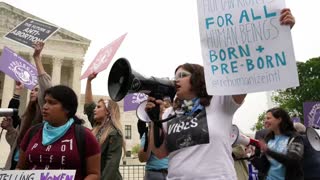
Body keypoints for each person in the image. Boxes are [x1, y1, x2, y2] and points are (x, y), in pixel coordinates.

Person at [146, 62, 246, 179]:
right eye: (175, 77)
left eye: (182, 75)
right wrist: (154, 119)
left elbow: (242, 82)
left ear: (198, 77)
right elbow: (160, 153)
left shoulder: (219, 101)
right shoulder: (170, 113)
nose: (176, 80)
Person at [16, 85, 101, 180]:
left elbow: (94, 174)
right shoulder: (33, 132)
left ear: (67, 108)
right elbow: (20, 168)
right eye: (45, 102)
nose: (45, 107)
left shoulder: (85, 135)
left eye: (52, 103)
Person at [1, 41, 52, 170]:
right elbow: (16, 141)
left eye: (36, 89)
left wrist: (37, 57)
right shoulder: (27, 116)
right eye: (32, 89)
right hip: (15, 165)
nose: (32, 92)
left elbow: (46, 88)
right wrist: (17, 92)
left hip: (33, 167)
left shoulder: (47, 118)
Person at [84, 72, 125, 180]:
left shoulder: (115, 133)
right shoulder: (97, 126)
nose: (94, 109)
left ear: (107, 111)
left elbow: (111, 165)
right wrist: (89, 81)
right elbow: (88, 105)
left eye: (98, 107)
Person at [251, 108, 304, 180]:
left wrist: (268, 151)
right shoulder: (268, 139)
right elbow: (263, 167)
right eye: (265, 119)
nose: (265, 121)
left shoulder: (295, 138)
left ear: (279, 119)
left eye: (268, 118)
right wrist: (251, 156)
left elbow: (293, 161)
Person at [138, 97, 170, 180]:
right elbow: (142, 158)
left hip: (172, 172)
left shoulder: (175, 130)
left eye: (165, 108)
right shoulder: (149, 133)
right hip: (154, 173)